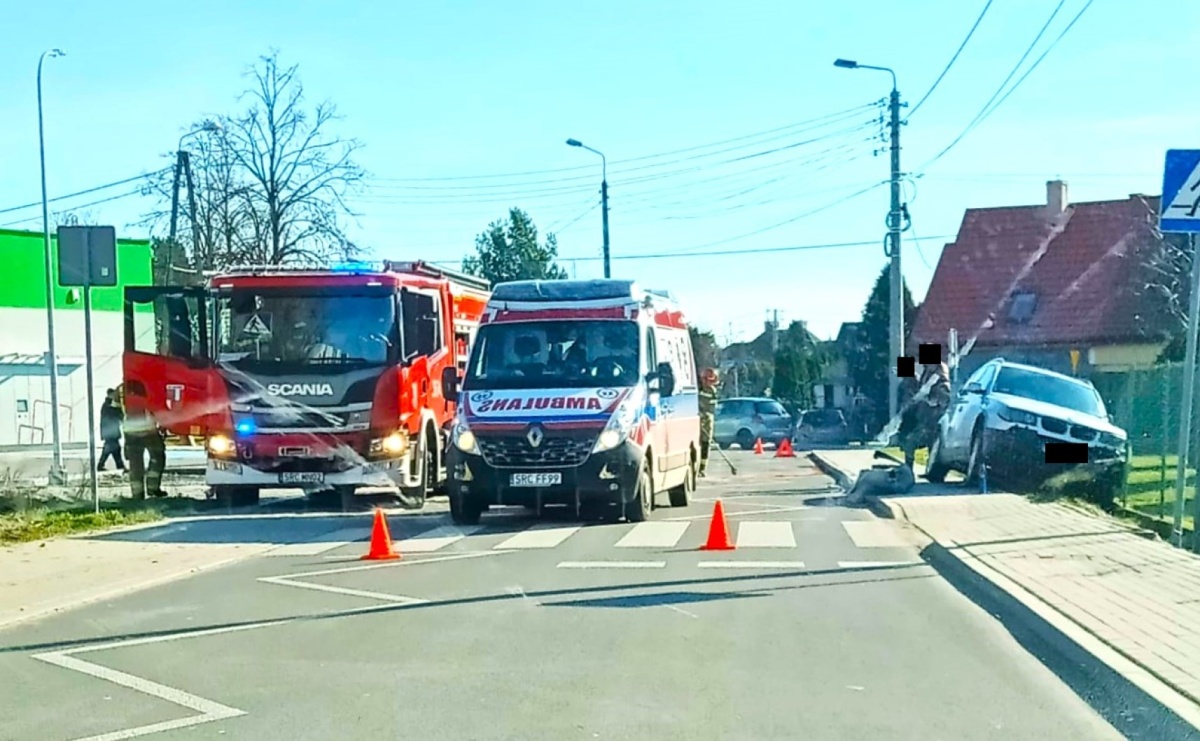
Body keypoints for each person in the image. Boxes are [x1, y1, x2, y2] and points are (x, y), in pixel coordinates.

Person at [898, 362, 951, 469]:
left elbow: (943, 404)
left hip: (932, 426)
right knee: (910, 443)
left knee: (914, 443)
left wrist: (927, 400)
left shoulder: (941, 386)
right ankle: (910, 469)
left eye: (929, 365)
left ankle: (930, 471)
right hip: (923, 422)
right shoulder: (927, 383)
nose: (927, 368)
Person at [121, 383, 168, 499]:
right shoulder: (148, 386)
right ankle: (153, 489)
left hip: (130, 432)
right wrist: (163, 424)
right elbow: (156, 407)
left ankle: (137, 494)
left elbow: (114, 408)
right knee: (157, 458)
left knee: (135, 464)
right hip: (148, 430)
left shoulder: (122, 389)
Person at [698, 367, 719, 478]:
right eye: (705, 379)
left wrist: (703, 415)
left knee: (705, 443)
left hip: (706, 420)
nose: (707, 381)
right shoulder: (698, 388)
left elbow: (711, 408)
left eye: (709, 379)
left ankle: (702, 468)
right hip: (696, 419)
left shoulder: (712, 392)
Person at [97, 388, 125, 472]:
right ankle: (102, 465)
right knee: (112, 449)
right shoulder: (109, 405)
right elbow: (116, 414)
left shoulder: (107, 405)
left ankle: (119, 465)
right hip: (110, 432)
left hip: (109, 431)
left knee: (113, 449)